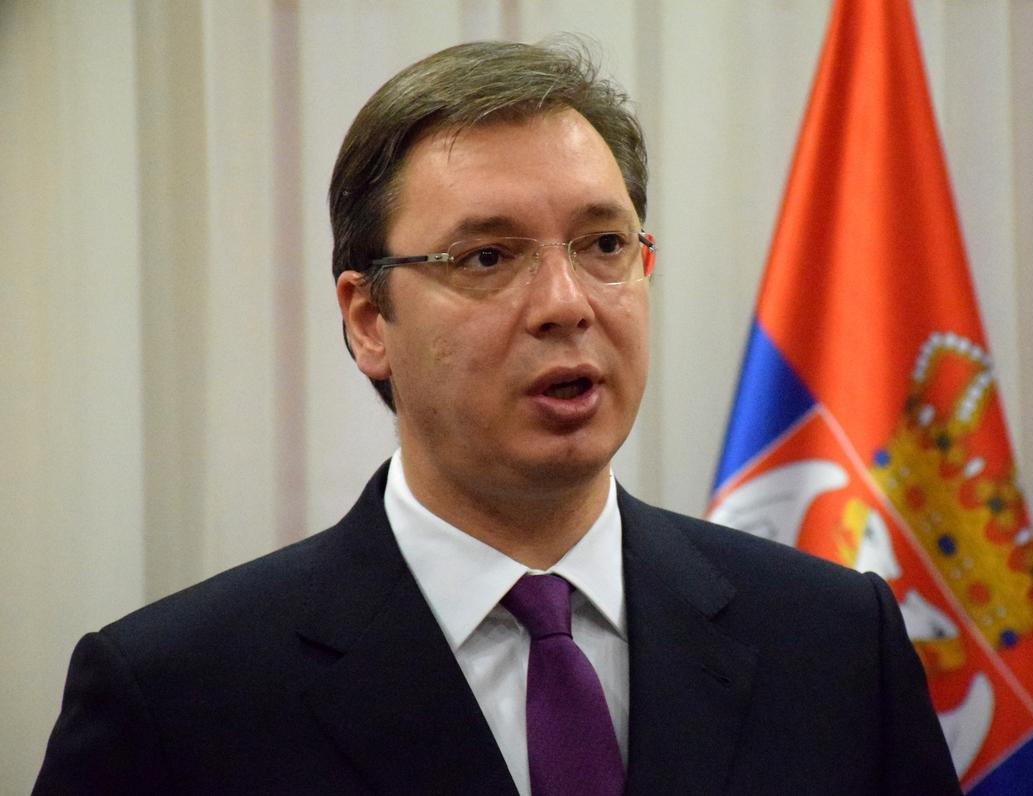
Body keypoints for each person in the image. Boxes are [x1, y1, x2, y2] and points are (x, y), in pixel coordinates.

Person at [34, 40, 961, 795]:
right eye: (487, 258)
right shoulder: (177, 696)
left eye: (604, 244)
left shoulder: (837, 642)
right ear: (368, 321)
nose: (566, 303)